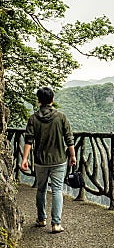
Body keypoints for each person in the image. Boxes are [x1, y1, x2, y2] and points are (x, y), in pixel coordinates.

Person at [21, 87, 76, 233]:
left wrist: (24, 158)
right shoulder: (61, 117)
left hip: (40, 161)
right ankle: (56, 224)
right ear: (52, 100)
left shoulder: (33, 119)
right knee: (57, 190)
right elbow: (69, 139)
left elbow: (28, 140)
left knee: (41, 189)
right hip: (59, 160)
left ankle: (41, 219)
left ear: (39, 100)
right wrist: (73, 156)